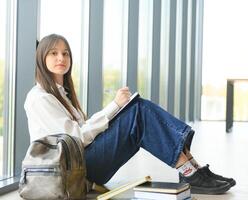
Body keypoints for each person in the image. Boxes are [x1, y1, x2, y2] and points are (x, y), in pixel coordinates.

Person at [24, 34, 236, 195]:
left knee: (138, 109)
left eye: (65, 53)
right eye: (53, 53)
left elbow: (83, 130)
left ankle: (192, 168)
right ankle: (190, 172)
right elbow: (76, 138)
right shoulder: (39, 98)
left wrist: (116, 110)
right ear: (42, 58)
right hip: (73, 171)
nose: (61, 57)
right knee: (138, 112)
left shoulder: (63, 95)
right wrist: (114, 107)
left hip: (82, 165)